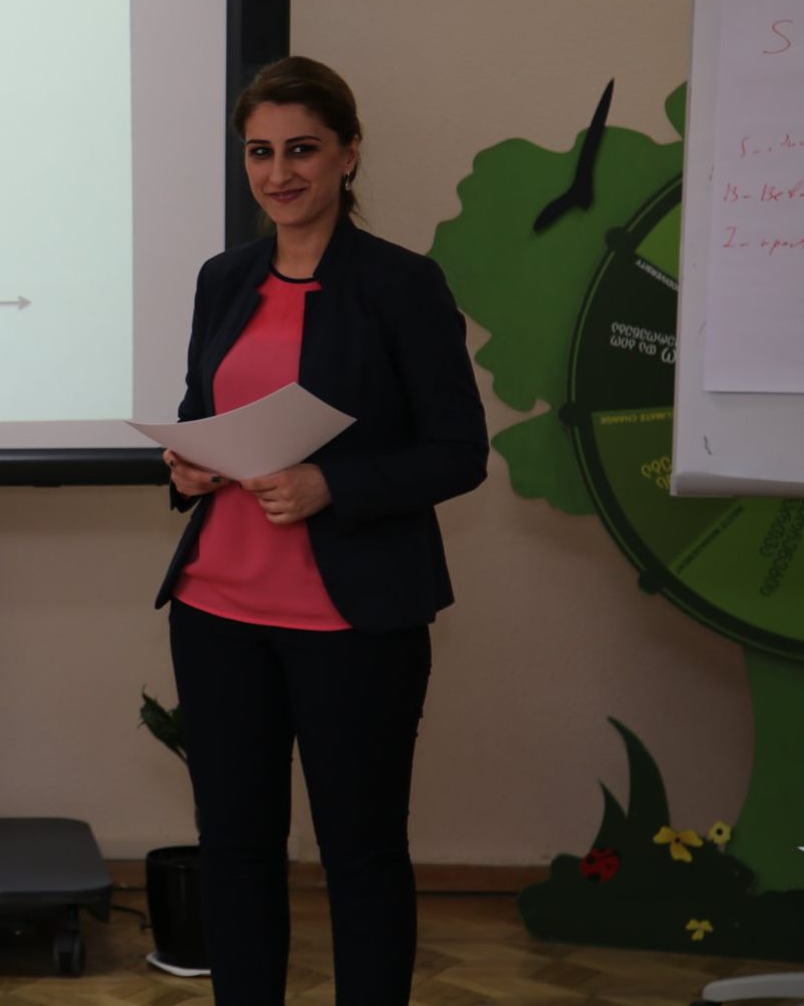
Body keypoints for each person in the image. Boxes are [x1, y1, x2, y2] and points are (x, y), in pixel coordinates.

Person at [155, 57, 487, 1005]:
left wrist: (329, 483)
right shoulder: (224, 278)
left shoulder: (402, 283)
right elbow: (203, 408)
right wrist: (187, 465)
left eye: (301, 149)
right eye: (259, 152)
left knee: (363, 853)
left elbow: (460, 451)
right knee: (236, 849)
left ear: (348, 151)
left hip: (355, 621)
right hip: (217, 610)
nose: (278, 173)